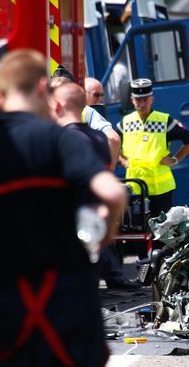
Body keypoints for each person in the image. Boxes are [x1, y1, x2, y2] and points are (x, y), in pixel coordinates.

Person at [0, 49, 127, 366]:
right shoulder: (61, 141)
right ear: (42, 89)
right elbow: (112, 194)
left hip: (1, 313)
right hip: (66, 308)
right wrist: (97, 241)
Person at [49, 82, 139, 290]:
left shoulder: (58, 138)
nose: (100, 99)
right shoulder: (97, 137)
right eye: (96, 95)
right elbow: (113, 140)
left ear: (56, 105)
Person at [116, 78, 189, 218]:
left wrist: (175, 160)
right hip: (135, 187)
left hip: (161, 188)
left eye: (145, 99)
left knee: (162, 233)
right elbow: (112, 143)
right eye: (138, 100)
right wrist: (122, 160)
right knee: (138, 231)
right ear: (132, 99)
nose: (142, 103)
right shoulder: (126, 122)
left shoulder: (164, 120)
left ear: (152, 99)